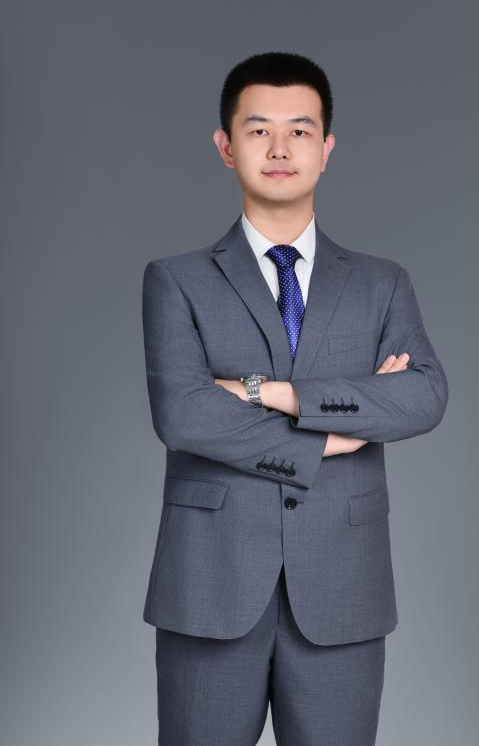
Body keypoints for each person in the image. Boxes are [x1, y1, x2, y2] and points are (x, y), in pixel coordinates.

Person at [141, 51, 448, 746]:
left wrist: (269, 392)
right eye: (259, 130)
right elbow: (183, 414)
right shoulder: (176, 280)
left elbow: (424, 395)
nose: (280, 149)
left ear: (326, 148)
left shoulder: (381, 284)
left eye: (300, 130)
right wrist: (335, 434)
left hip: (344, 587)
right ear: (226, 146)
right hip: (210, 585)